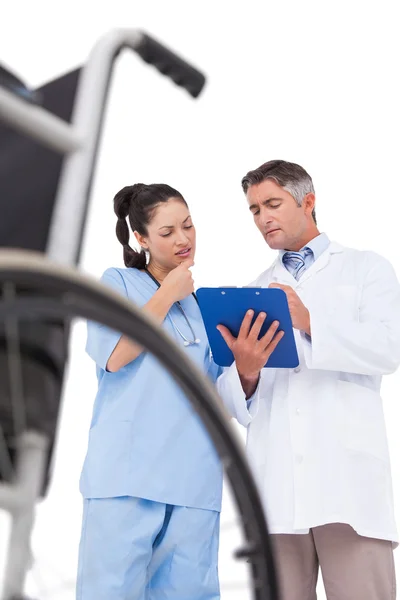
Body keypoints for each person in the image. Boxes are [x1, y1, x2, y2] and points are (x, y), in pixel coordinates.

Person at [76, 181, 281, 600]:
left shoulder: (205, 307)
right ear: (141, 238)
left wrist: (246, 370)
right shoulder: (117, 283)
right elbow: (114, 355)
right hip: (126, 482)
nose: (184, 239)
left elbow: (219, 400)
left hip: (193, 486)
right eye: (168, 233)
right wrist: (168, 292)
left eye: (188, 226)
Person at [216, 159, 400, 600]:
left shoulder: (365, 269)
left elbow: (387, 348)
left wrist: (309, 320)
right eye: (255, 210)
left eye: (272, 204)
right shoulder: (255, 289)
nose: (263, 218)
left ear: (308, 202)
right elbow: (236, 403)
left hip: (347, 487)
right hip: (277, 490)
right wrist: (245, 372)